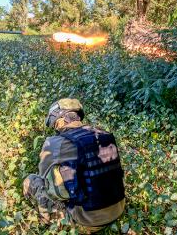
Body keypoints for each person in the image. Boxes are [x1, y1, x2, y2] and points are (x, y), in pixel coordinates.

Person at [23, 98, 125, 234]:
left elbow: (44, 179)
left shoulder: (55, 142)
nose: (55, 128)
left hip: (86, 222)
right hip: (118, 211)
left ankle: (47, 224)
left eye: (54, 124)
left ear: (60, 120)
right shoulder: (104, 134)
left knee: (32, 181)